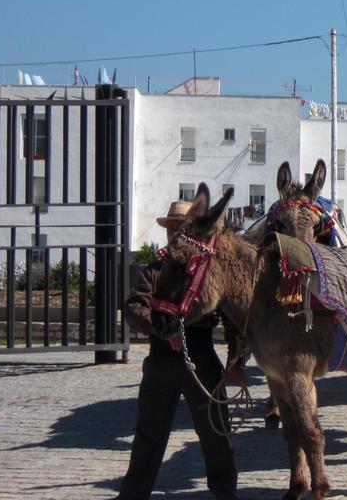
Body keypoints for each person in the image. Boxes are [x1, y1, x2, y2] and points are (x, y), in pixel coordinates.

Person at [114, 201, 240, 500]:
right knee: (148, 434)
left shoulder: (210, 272)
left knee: (216, 432)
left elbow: (234, 318)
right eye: (170, 227)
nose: (174, 232)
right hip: (161, 360)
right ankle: (133, 495)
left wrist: (236, 360)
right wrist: (162, 329)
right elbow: (133, 308)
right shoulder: (155, 269)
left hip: (200, 358)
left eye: (179, 227)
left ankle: (225, 493)